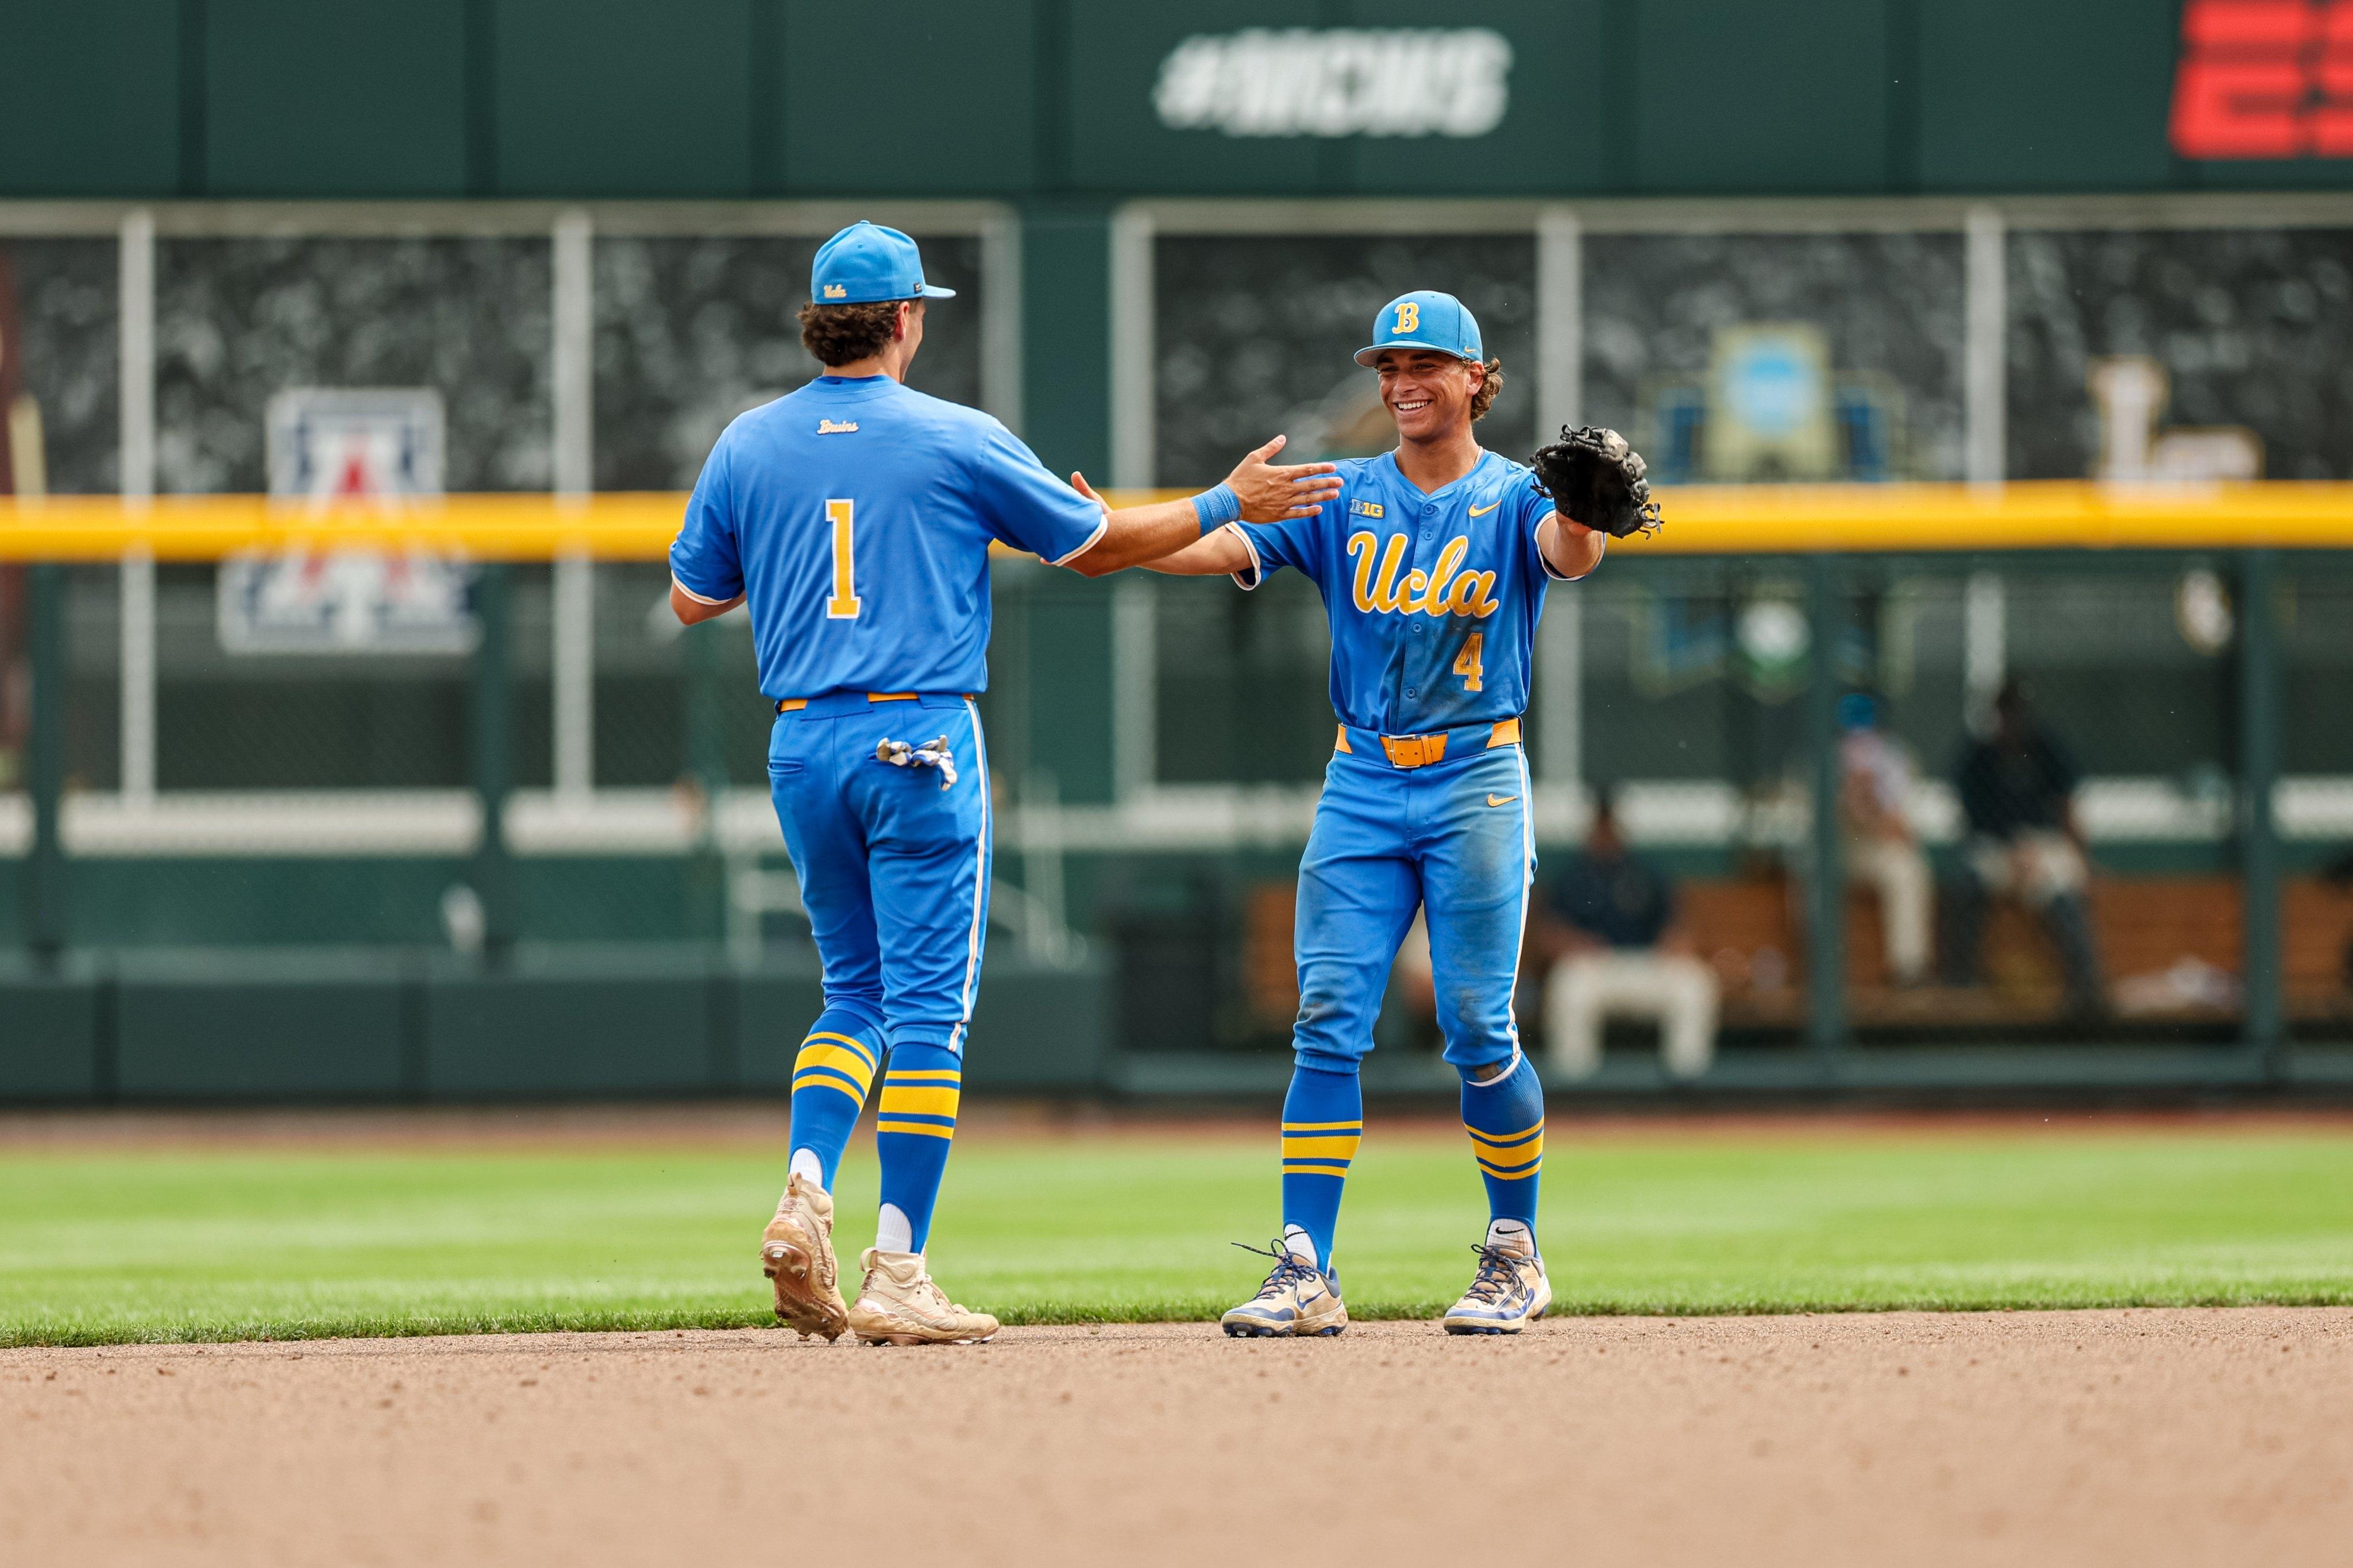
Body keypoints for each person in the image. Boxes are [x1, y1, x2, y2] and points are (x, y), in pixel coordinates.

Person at [670, 221, 1341, 1345]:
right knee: (928, 1013)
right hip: (918, 739)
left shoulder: (747, 442)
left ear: (814, 321)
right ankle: (897, 1267)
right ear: (902, 320)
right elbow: (1096, 549)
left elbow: (695, 599)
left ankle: (804, 1179)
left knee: (852, 997)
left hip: (801, 745)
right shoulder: (954, 436)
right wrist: (1230, 501)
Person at [1140, 290, 1611, 1337]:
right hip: (1360, 781)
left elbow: (1571, 557)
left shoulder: (1516, 496)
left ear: (1477, 381)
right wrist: (1105, 532)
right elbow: (1214, 552)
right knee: (1324, 1024)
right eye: (1388, 366)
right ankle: (1305, 1269)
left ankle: (1514, 1254)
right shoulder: (1340, 493)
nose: (1400, 382)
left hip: (1475, 778)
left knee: (1479, 1029)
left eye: (1425, 365)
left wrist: (1581, 514)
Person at [1530, 789, 1719, 1079]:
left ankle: (1687, 1088)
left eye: (1610, 826)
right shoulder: (1573, 875)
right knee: (1569, 987)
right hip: (1594, 967)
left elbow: (1679, 926)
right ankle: (1576, 1090)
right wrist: (1571, 942)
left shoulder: (1643, 871)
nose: (1606, 833)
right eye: (1600, 826)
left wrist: (1676, 940)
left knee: (1694, 984)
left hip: (1648, 964)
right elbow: (1546, 933)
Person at [1946, 679, 2104, 1015]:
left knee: (2064, 888)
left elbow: (2066, 807)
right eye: (2004, 715)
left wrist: (2080, 855)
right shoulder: (1978, 757)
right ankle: (1961, 984)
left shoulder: (2046, 748)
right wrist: (2012, 851)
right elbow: (1971, 822)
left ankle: (2085, 987)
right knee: (1966, 881)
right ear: (1996, 716)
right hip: (1995, 850)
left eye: (2016, 714)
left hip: (2042, 847)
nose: (2011, 723)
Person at [1837, 693, 1932, 987]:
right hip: (1838, 847)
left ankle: (1908, 970)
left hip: (1877, 847)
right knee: (1812, 869)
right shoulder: (1826, 757)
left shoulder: (1894, 757)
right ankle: (1824, 969)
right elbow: (1828, 824)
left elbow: (1899, 828)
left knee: (1908, 870)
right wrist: (1851, 798)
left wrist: (1869, 804)